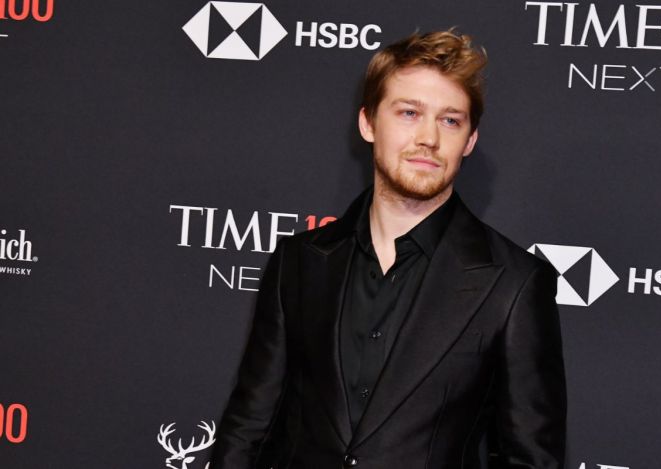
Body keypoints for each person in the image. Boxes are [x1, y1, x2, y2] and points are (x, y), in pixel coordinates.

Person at [210, 29, 566, 469]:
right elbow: (248, 428)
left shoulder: (513, 283)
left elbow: (531, 459)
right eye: (409, 113)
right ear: (368, 123)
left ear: (470, 140)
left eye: (450, 120)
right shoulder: (299, 263)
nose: (429, 138)